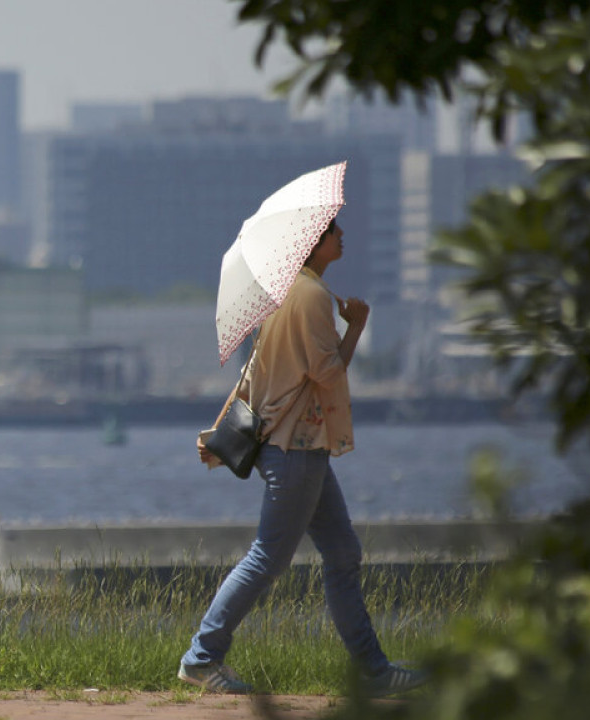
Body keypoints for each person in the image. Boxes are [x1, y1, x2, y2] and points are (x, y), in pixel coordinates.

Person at [177, 218, 428, 697]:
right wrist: (356, 327)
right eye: (333, 230)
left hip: (299, 447)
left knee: (341, 552)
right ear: (315, 243)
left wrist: (221, 429)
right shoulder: (311, 297)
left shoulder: (281, 292)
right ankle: (202, 657)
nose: (341, 234)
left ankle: (373, 670)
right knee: (267, 558)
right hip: (295, 448)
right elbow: (328, 372)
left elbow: (254, 371)